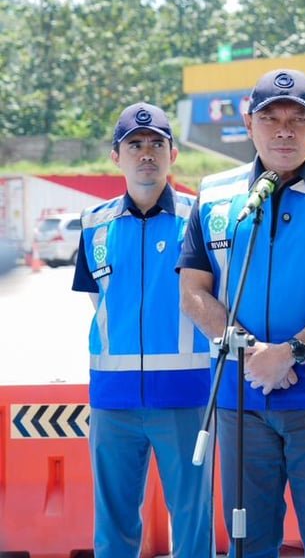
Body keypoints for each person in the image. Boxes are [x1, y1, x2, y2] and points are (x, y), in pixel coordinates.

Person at [178, 69, 305, 558]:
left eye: (298, 119)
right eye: (271, 119)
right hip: (240, 398)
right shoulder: (214, 197)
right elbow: (193, 293)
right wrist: (255, 355)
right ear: (250, 125)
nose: (284, 131)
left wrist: (290, 353)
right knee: (248, 541)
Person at [72, 102, 213, 558]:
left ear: (174, 154)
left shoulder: (201, 219)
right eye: (135, 145)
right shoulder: (94, 226)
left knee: (192, 522)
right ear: (116, 156)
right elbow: (99, 304)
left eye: (156, 144)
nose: (146, 153)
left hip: (185, 395)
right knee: (113, 526)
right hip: (113, 400)